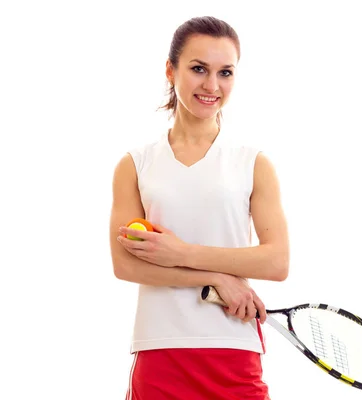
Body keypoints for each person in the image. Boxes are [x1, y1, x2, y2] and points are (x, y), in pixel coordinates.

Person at [110, 16, 290, 400]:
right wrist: (215, 278)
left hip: (234, 347)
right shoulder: (135, 164)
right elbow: (125, 264)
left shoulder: (253, 163)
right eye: (198, 69)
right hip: (160, 349)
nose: (212, 85)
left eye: (225, 72)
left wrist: (182, 254)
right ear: (170, 70)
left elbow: (276, 262)